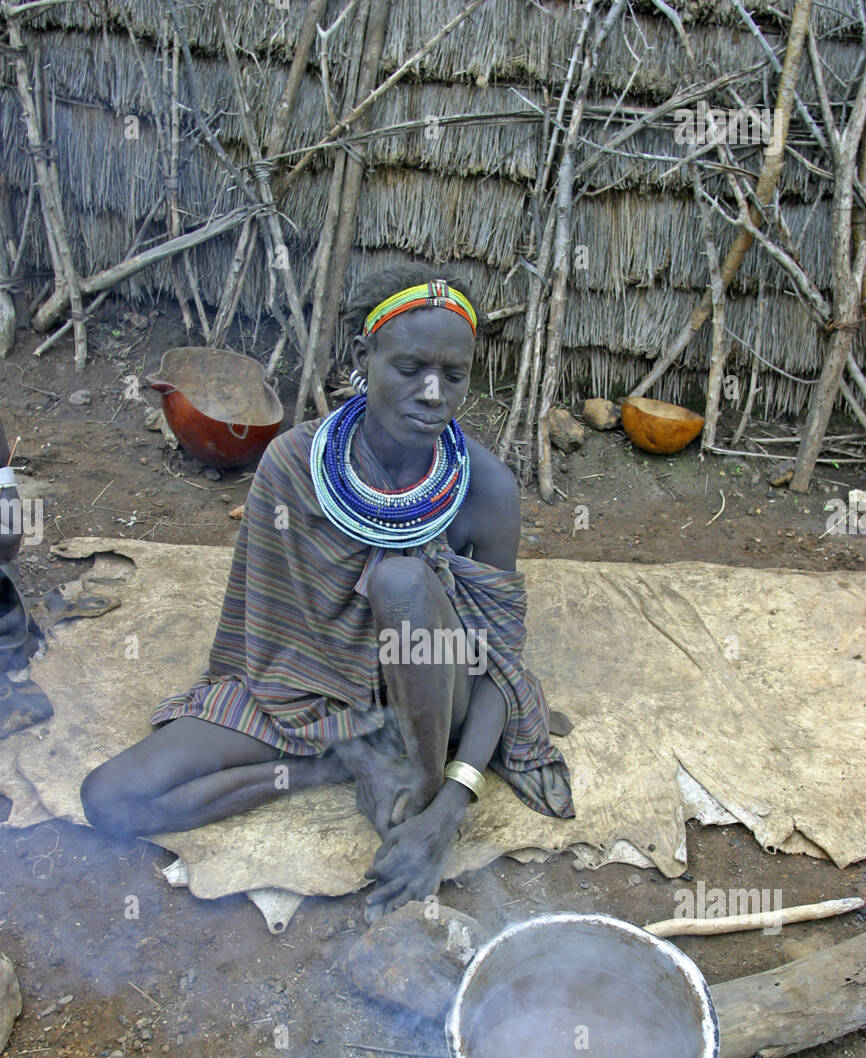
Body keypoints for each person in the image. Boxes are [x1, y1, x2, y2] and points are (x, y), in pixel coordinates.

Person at [81, 262, 574, 920]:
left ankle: (416, 798)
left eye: (453, 375)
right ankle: (342, 765)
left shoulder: (486, 490)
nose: (433, 393)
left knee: (402, 579)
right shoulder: (292, 464)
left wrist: (451, 808)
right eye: (409, 368)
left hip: (436, 697)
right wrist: (346, 749)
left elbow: (500, 669)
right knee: (109, 798)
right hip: (307, 696)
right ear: (363, 358)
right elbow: (270, 636)